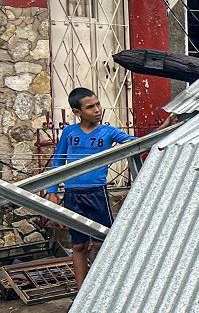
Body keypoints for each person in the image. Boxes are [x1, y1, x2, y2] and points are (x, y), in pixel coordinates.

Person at [48, 88, 137, 289]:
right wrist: (52, 191)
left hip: (97, 193)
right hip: (72, 195)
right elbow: (58, 161)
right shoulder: (70, 132)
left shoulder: (109, 132)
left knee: (101, 242)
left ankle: (101, 289)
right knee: (79, 245)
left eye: (97, 104)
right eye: (90, 107)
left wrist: (164, 129)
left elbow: (137, 144)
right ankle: (80, 292)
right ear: (77, 112)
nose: (97, 110)